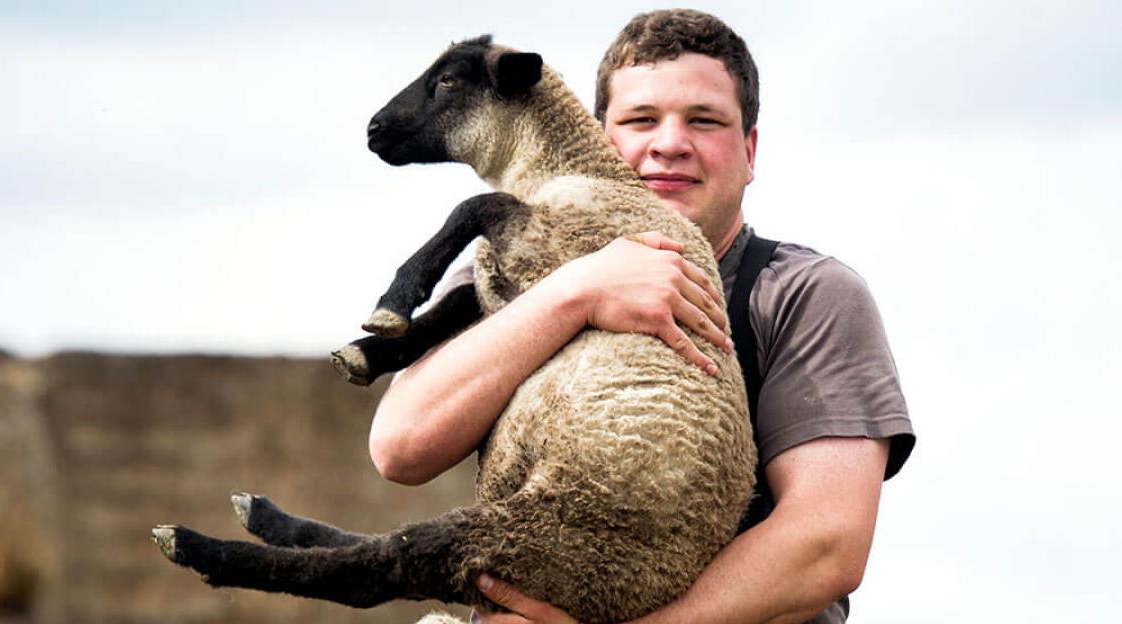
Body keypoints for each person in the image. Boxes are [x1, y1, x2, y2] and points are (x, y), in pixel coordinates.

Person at [365, 10, 915, 623]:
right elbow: (401, 446)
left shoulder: (806, 294)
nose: (670, 143)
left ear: (750, 150)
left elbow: (825, 545)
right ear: (599, 135)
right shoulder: (515, 260)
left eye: (704, 121)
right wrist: (579, 290)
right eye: (640, 120)